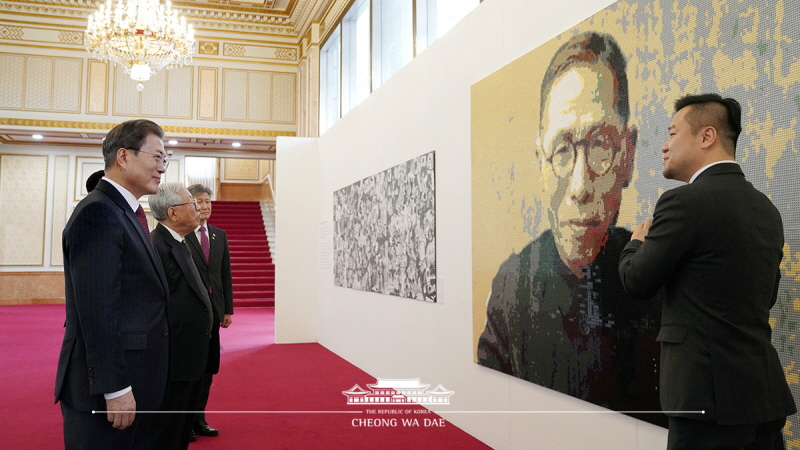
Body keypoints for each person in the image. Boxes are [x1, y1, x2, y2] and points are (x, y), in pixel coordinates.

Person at [477, 31, 662, 419]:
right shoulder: (512, 288)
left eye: (601, 144)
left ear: (627, 155)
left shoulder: (661, 284)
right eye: (562, 149)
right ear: (542, 163)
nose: (580, 186)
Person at [619, 93, 796, 449]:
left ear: (707, 136)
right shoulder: (767, 210)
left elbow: (636, 282)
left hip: (704, 404)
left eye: (671, 134)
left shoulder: (682, 201)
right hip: (762, 398)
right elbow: (767, 296)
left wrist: (635, 243)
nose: (664, 147)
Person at [55, 119, 170, 450]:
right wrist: (115, 387)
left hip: (133, 376)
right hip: (108, 388)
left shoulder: (124, 211)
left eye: (166, 159)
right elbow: (97, 310)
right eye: (157, 157)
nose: (162, 168)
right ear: (124, 156)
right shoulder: (98, 213)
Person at [147, 182, 214, 450]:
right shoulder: (157, 247)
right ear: (173, 213)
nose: (199, 208)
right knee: (167, 432)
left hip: (191, 356)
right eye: (192, 203)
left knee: (179, 430)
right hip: (174, 359)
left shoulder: (180, 241)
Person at [185, 183, 234, 440]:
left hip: (214, 314)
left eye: (207, 201)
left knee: (207, 369)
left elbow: (224, 274)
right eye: (198, 202)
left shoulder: (218, 235)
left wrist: (227, 309)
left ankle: (199, 419)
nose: (204, 206)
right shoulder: (181, 234)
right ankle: (184, 422)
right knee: (190, 369)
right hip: (190, 314)